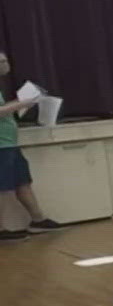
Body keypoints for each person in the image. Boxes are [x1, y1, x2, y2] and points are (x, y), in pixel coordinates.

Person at [0, 51, 63, 239]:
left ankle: (38, 220)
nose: (5, 64)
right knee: (2, 187)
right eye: (1, 61)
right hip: (1, 146)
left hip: (9, 144)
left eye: (5, 60)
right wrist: (23, 102)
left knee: (22, 182)